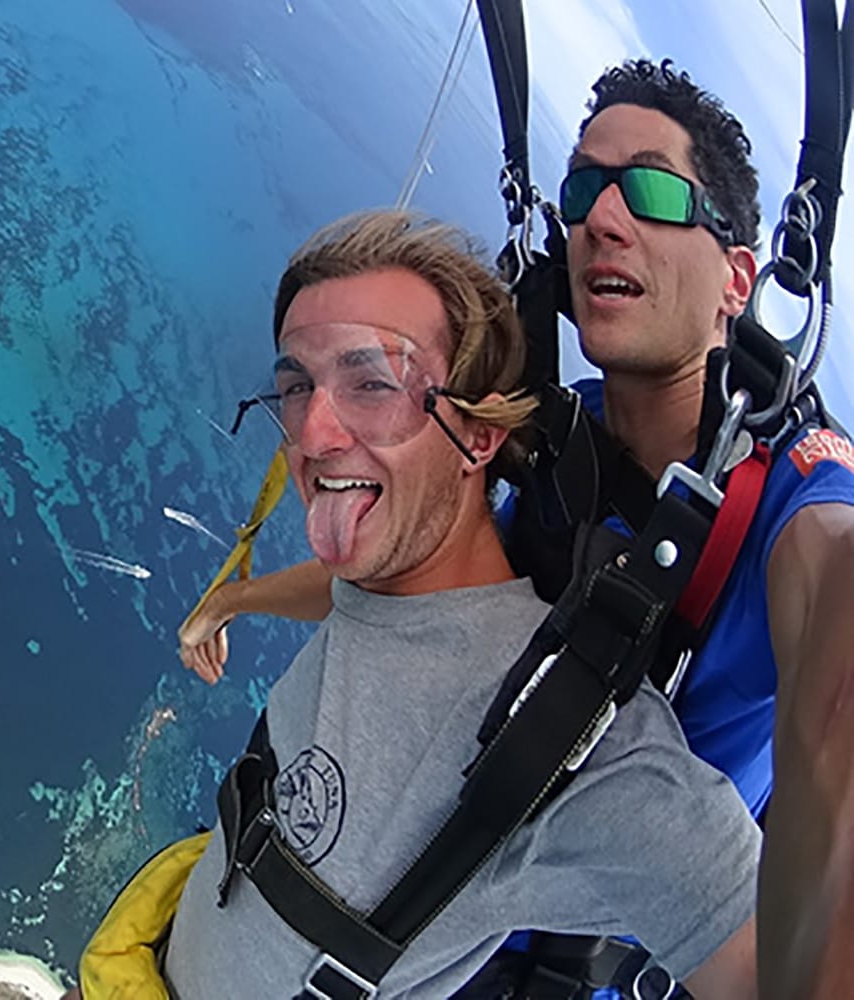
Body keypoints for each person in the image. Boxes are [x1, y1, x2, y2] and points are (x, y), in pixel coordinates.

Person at [178, 60, 854, 998]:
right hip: (455, 917)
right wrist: (239, 599)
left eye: (654, 191)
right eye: (583, 189)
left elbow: (835, 655)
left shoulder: (792, 493)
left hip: (640, 937)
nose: (602, 220)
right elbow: (413, 568)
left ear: (740, 277)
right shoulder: (549, 436)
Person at [74, 208, 760, 999]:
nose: (314, 434)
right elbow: (345, 598)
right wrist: (231, 599)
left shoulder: (562, 742)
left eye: (374, 383)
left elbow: (770, 955)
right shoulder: (385, 580)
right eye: (298, 385)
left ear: (477, 435)